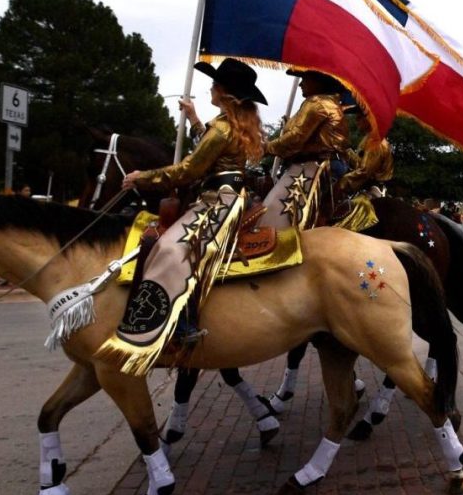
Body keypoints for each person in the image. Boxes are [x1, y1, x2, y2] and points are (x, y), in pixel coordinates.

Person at [112, 57, 267, 359]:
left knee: (173, 248)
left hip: (218, 201)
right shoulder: (227, 127)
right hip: (227, 196)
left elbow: (188, 171)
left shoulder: (222, 129)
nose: (210, 88)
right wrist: (195, 119)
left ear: (224, 92)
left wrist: (141, 178)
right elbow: (210, 151)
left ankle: (184, 324)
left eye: (214, 84)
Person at [261, 68, 350, 230]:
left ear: (319, 82)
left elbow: (295, 139)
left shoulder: (316, 103)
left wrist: (265, 148)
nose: (301, 84)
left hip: (311, 166)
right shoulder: (333, 105)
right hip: (332, 167)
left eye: (305, 79)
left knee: (272, 212)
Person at [337, 106, 393, 198]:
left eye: (359, 117)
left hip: (373, 191)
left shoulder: (376, 142)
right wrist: (347, 153)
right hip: (364, 187)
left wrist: (341, 184)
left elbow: (364, 171)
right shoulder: (369, 138)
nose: (356, 120)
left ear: (369, 118)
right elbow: (361, 164)